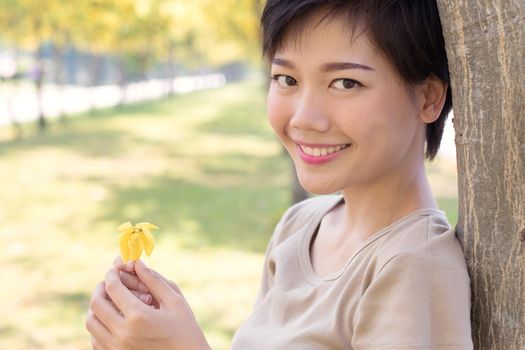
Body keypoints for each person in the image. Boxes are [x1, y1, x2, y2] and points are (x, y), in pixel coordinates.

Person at [85, 0, 473, 349]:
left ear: (428, 98)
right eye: (287, 79)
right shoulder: (300, 227)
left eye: (345, 83)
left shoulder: (414, 267)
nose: (304, 117)